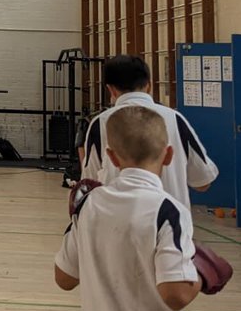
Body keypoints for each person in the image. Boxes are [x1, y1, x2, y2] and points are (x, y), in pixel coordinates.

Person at [54, 106, 203, 311]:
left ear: (111, 156)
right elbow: (176, 294)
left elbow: (64, 278)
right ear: (169, 155)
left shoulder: (88, 205)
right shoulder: (169, 210)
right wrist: (200, 278)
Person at [80, 55, 218, 209]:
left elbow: (89, 184)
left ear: (110, 89)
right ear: (149, 85)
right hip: (171, 223)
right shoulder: (175, 119)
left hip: (117, 224)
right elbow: (203, 182)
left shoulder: (101, 123)